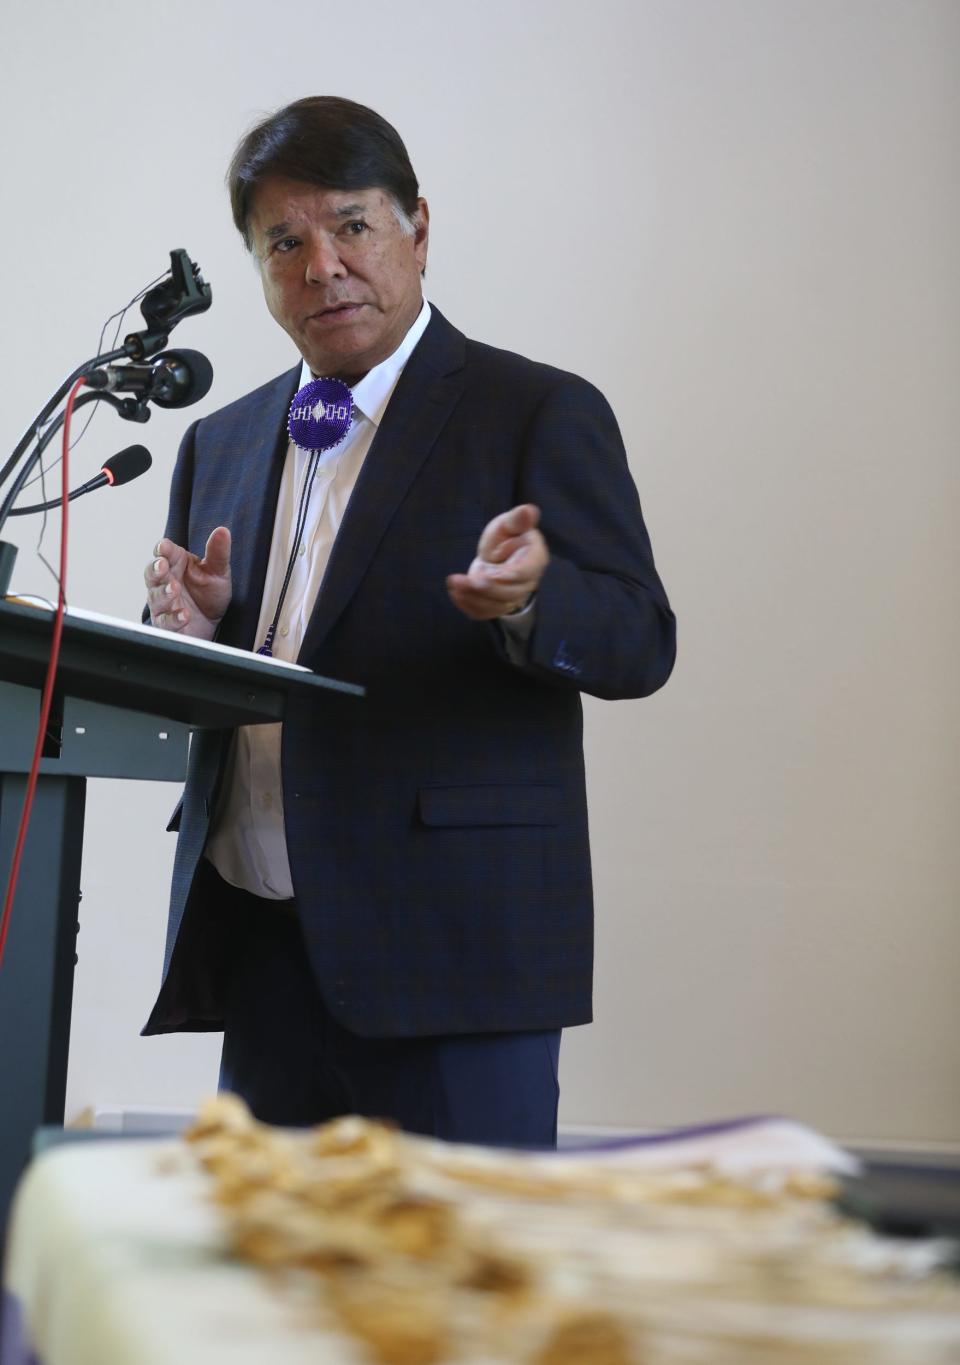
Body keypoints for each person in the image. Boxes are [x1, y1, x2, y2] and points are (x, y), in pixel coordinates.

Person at [142, 96, 675, 1147]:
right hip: (263, 949)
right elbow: (214, 680)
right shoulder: (223, 441)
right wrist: (196, 632)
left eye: (351, 226)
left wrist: (527, 601)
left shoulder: (533, 409)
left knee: (464, 1293)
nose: (322, 266)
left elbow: (638, 640)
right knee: (280, 1292)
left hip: (456, 955)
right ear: (256, 266)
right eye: (283, 242)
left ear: (417, 230)